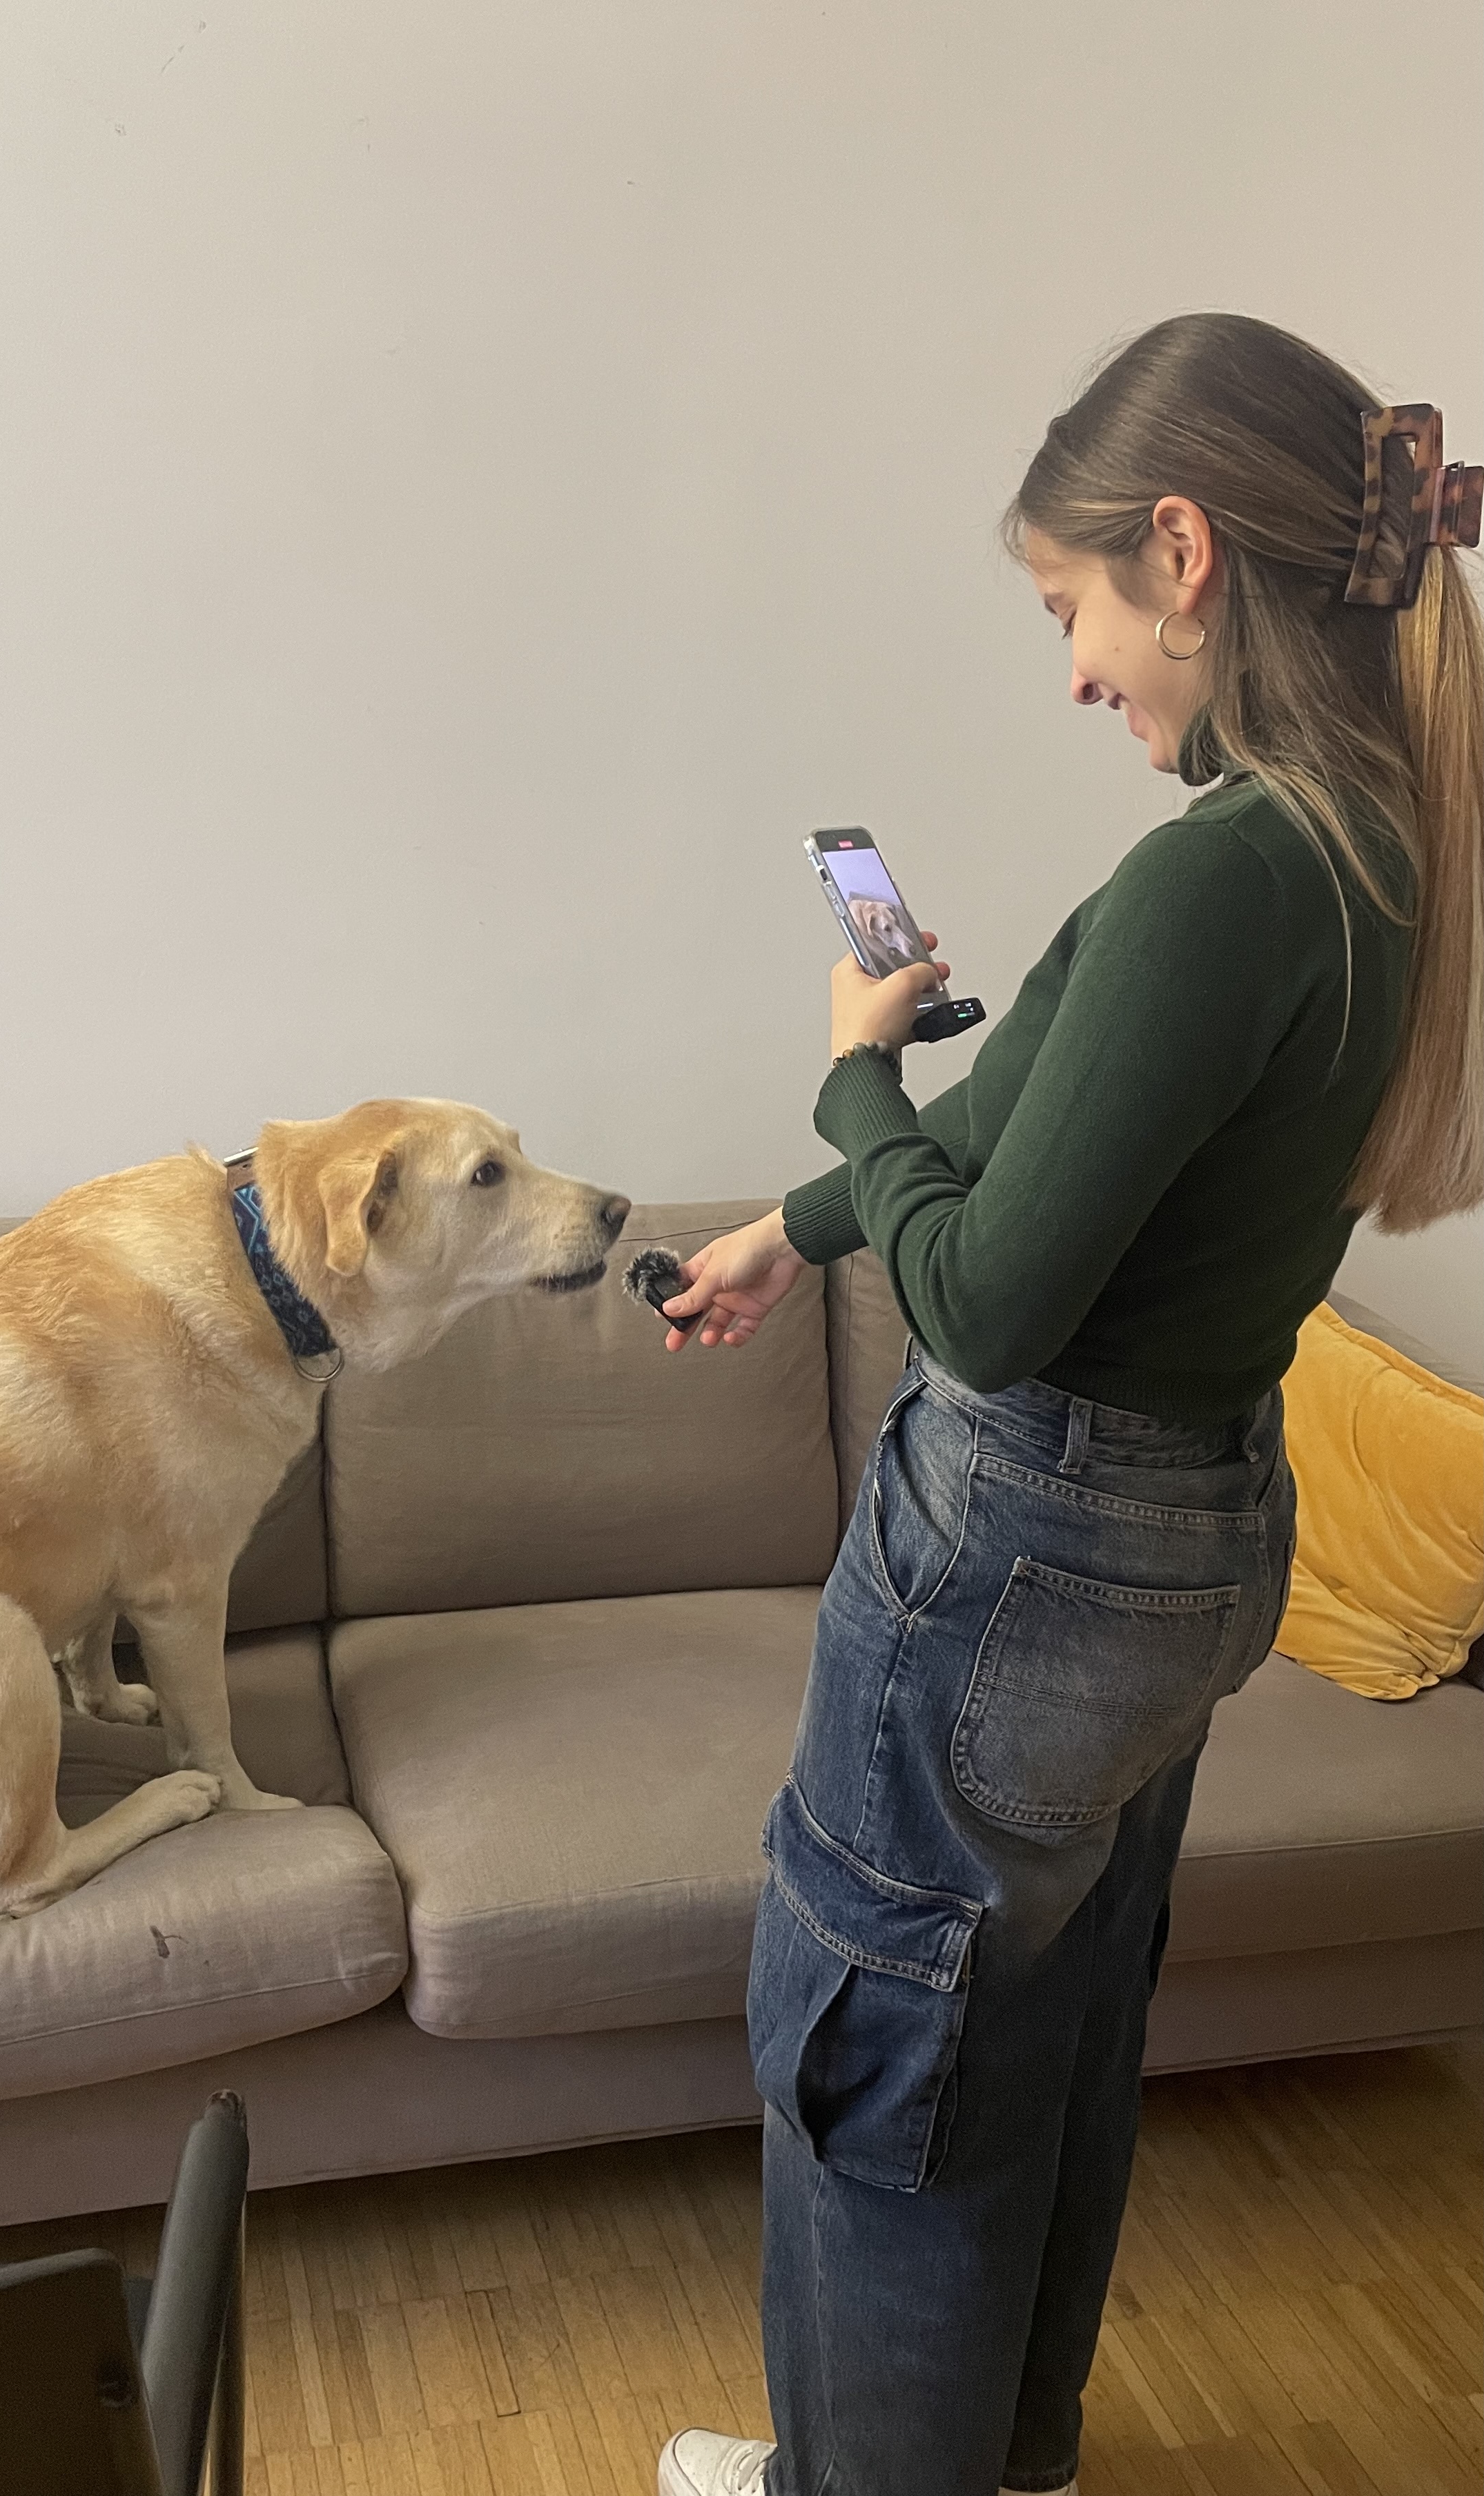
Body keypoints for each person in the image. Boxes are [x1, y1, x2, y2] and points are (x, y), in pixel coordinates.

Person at [652, 314, 1484, 2496]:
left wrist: (849, 1061)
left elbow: (1002, 1302)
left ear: (1183, 552)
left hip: (1029, 1549)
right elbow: (1021, 1124)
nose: (1077, 670)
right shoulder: (1363, 843)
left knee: (880, 2064)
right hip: (1192, 1540)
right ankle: (991, 2463)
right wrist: (804, 1226)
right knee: (1034, 2040)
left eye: (1074, 610)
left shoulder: (1223, 880)